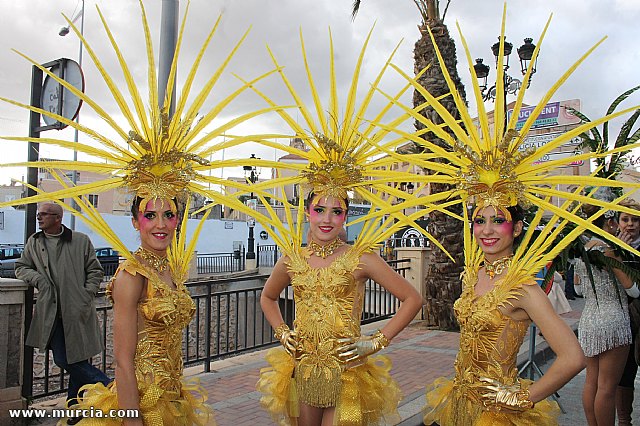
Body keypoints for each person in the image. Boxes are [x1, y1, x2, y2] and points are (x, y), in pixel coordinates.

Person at [257, 192, 423, 425]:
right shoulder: (292, 260)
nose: (327, 219)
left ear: (345, 216)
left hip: (347, 371)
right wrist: (283, 332)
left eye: (336, 212)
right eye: (319, 210)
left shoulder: (361, 258)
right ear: (307, 213)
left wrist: (376, 342)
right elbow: (268, 296)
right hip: (303, 369)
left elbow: (412, 299)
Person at [423, 204, 585, 425]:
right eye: (480, 221)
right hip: (459, 401)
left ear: (517, 228)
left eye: (498, 221)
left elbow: (573, 357)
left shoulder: (523, 288)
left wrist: (521, 399)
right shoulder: (473, 274)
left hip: (497, 414)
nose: (487, 230)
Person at [72, 197, 212, 425]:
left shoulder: (171, 269)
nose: (161, 224)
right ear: (135, 222)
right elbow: (122, 360)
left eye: (169, 215)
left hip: (174, 398)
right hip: (141, 401)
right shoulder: (132, 275)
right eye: (150, 216)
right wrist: (133, 419)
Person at [16, 202, 110, 416]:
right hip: (51, 312)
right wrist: (38, 278)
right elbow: (21, 267)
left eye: (44, 215)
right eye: (38, 214)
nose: (39, 218)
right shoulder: (35, 242)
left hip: (77, 311)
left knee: (78, 358)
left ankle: (74, 409)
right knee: (64, 359)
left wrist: (85, 294)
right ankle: (106, 384)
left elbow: (95, 271)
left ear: (57, 218)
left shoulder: (80, 241)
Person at [574, 201, 638, 426]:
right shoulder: (609, 249)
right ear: (610, 222)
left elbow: (578, 289)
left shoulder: (582, 249)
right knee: (607, 388)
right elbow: (634, 289)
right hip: (613, 321)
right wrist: (620, 254)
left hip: (589, 319)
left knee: (591, 383)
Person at [612, 199, 640, 425]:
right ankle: (624, 421)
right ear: (618, 222)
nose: (630, 224)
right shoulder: (611, 246)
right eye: (625, 219)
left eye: (635, 220)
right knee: (625, 371)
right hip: (624, 317)